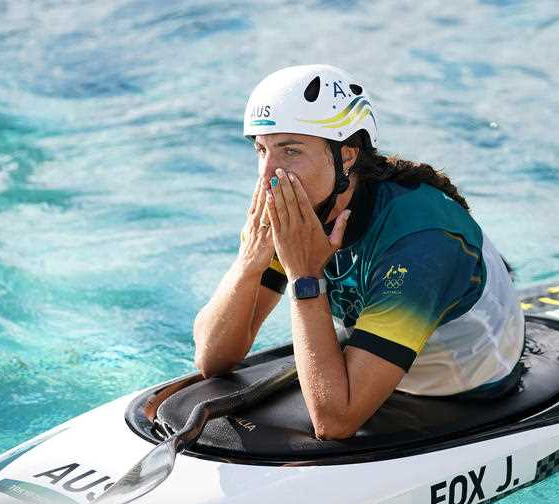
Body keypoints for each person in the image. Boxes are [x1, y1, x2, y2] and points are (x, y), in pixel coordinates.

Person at [193, 65, 524, 440]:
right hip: (389, 367)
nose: (268, 173)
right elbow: (212, 359)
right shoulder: (301, 206)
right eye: (262, 150)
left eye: (290, 150)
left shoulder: (422, 244)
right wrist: (247, 265)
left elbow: (334, 423)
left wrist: (306, 278)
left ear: (346, 156)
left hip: (470, 391)